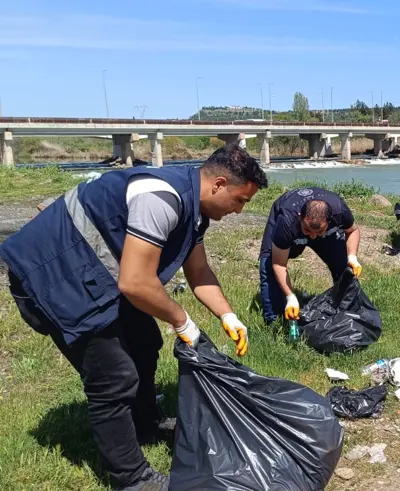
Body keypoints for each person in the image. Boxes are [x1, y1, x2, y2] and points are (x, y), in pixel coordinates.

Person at [0, 145, 268, 491]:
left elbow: (198, 271)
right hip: (54, 272)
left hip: (95, 271)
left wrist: (228, 315)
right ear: (218, 184)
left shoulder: (195, 209)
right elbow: (136, 283)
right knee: (113, 377)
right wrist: (182, 320)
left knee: (145, 343)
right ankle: (131, 478)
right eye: (240, 200)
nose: (238, 210)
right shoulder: (160, 198)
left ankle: (144, 425)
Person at [258, 187, 361, 325]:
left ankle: (348, 311)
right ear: (300, 216)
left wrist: (352, 257)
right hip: (291, 226)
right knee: (268, 265)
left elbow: (353, 230)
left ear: (330, 221)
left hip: (325, 234)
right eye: (307, 230)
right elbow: (279, 264)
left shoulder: (339, 211)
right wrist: (290, 297)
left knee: (344, 267)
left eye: (317, 232)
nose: (312, 236)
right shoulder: (287, 220)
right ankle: (275, 321)